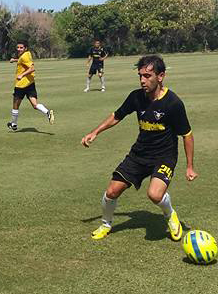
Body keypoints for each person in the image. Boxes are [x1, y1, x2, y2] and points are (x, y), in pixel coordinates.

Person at [80, 55, 197, 242]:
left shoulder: (173, 103)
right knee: (111, 191)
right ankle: (106, 224)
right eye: (140, 76)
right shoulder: (136, 97)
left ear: (161, 76)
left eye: (148, 76)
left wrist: (190, 166)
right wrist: (95, 132)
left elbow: (187, 135)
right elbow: (117, 115)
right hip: (139, 154)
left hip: (164, 156)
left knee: (154, 194)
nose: (143, 80)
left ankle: (170, 215)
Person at [7, 41, 55, 131]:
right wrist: (15, 60)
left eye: (21, 48)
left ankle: (13, 124)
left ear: (25, 48)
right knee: (35, 104)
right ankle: (48, 112)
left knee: (15, 105)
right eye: (18, 47)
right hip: (30, 83)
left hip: (21, 85)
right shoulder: (27, 54)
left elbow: (32, 68)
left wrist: (22, 75)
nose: (19, 49)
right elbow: (25, 61)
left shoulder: (24, 56)